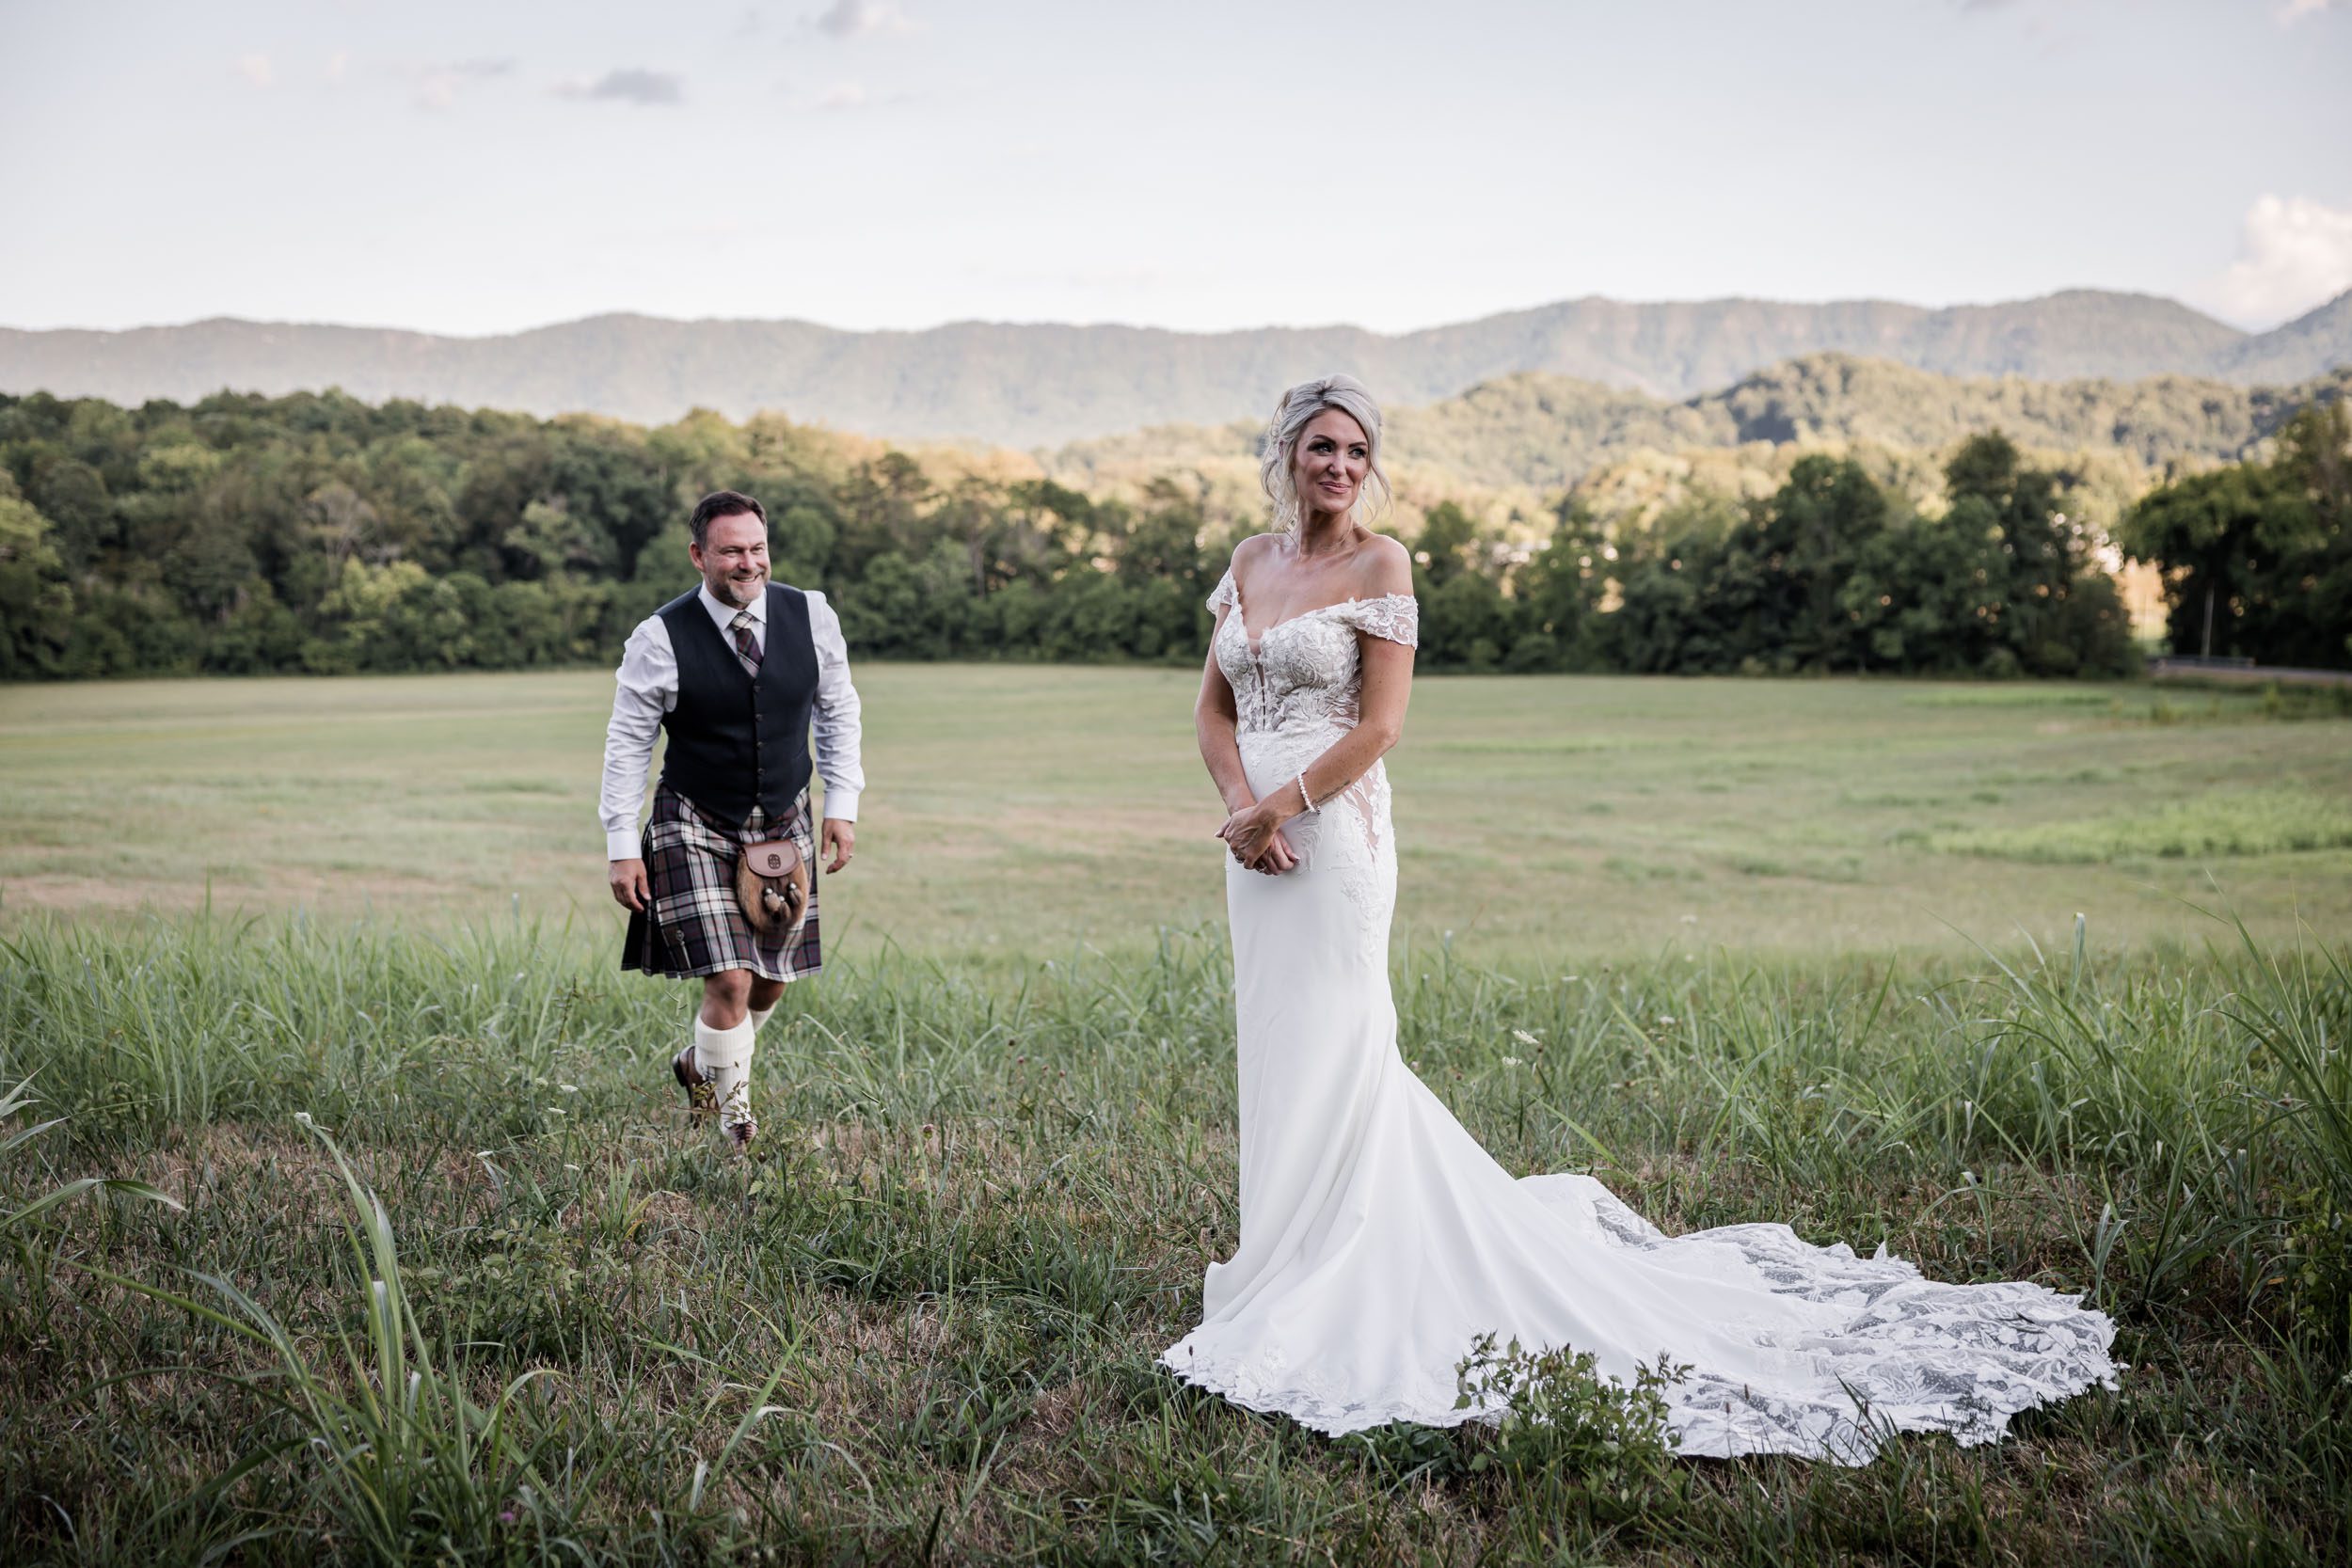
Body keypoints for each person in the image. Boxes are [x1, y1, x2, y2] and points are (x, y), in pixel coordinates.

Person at [1160, 375, 2117, 1462]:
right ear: (1286, 451)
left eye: (1356, 450)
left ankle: (1351, 1265)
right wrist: (1240, 809)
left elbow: (1380, 726)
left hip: (1332, 839)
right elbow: (1211, 707)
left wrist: (1286, 803)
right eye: (1320, 446)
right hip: (1253, 844)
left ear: (1370, 465)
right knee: (1277, 1043)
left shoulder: (1383, 565)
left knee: (1342, 1040)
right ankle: (1284, 1251)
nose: (1338, 465)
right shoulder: (1248, 562)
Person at [600, 489, 864, 1148]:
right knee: (730, 977)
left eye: (757, 548)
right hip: (694, 817)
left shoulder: (814, 616)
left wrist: (843, 805)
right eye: (730, 551)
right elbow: (628, 742)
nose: (748, 563)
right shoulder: (659, 636)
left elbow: (839, 710)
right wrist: (619, 842)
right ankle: (735, 1123)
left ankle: (701, 1065)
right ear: (699, 555)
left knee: (773, 980)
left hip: (784, 816)